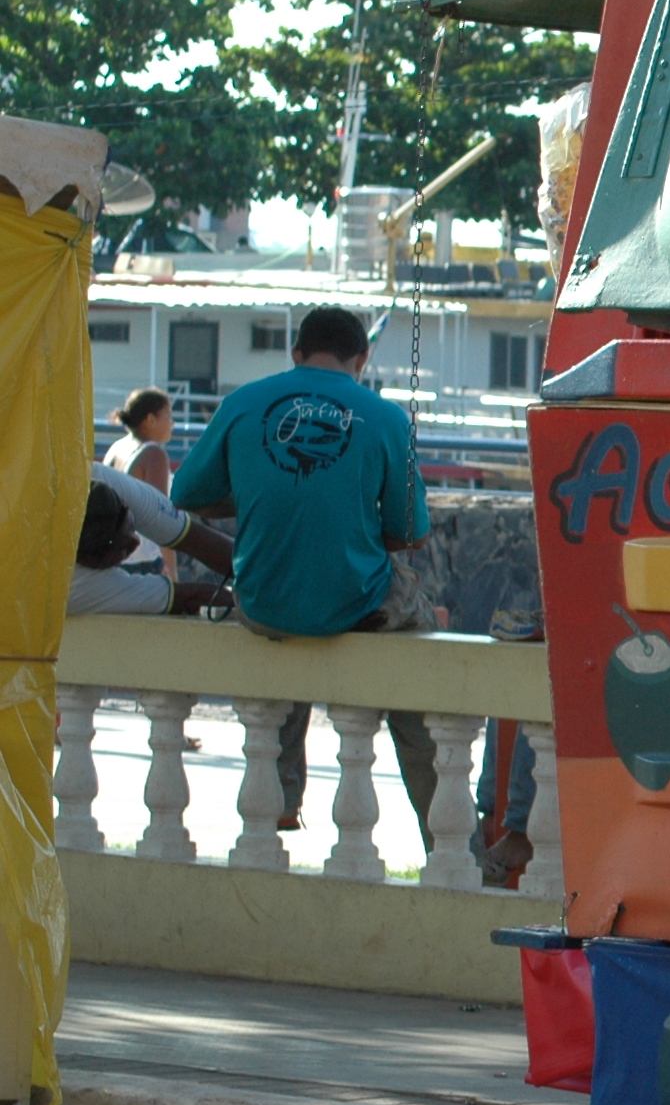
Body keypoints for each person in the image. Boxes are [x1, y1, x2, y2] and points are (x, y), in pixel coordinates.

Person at [172, 306, 441, 834]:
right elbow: (413, 533)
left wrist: (255, 499)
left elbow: (188, 496)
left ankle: (284, 798)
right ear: (361, 357)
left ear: (295, 355)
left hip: (261, 604)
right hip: (352, 603)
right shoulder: (384, 416)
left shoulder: (243, 402)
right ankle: (445, 833)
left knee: (288, 618)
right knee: (422, 663)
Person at [69, 465, 232, 616]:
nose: (137, 542)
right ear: (90, 560)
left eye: (130, 523)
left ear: (122, 501)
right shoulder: (72, 587)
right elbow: (190, 598)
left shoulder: (96, 477)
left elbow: (195, 539)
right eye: (126, 548)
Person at [101, 389, 176, 567]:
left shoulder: (116, 448)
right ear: (150, 420)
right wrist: (172, 569)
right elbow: (162, 520)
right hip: (143, 561)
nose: (172, 423)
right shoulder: (153, 454)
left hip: (113, 557)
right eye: (168, 417)